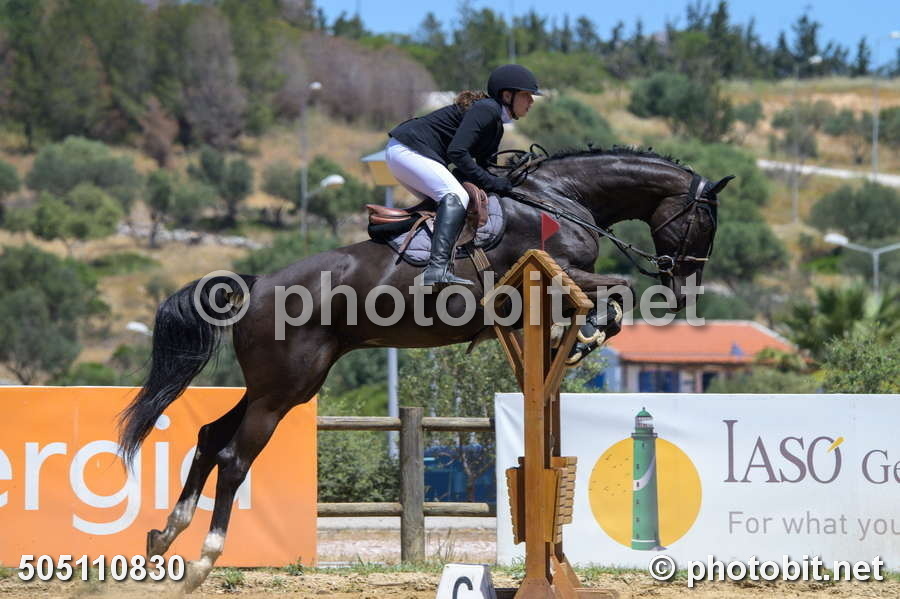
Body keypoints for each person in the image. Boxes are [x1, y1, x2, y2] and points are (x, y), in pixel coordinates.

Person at [386, 64, 541, 286]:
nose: (531, 101)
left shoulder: (495, 124)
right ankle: (436, 269)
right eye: (527, 95)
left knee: (446, 207)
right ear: (507, 95)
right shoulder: (487, 109)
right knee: (456, 196)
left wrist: (509, 183)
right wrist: (494, 182)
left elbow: (484, 168)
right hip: (409, 150)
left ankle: (419, 255)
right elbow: (457, 152)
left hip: (407, 152)